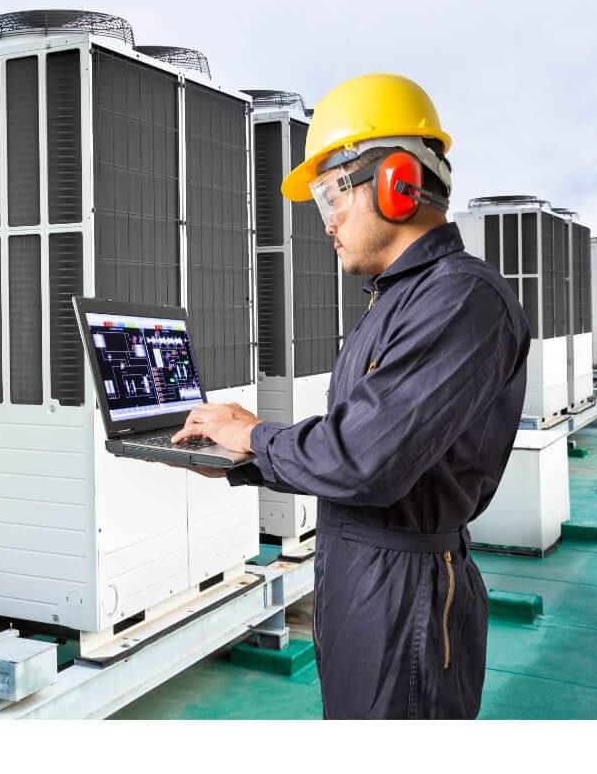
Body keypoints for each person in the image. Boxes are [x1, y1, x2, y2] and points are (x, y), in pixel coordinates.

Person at [171, 74, 529, 720]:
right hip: (363, 587)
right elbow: (361, 440)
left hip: (409, 607)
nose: (327, 222)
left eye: (333, 195)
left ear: (397, 183)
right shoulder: (395, 302)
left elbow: (365, 456)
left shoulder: (462, 301)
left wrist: (255, 436)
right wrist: (242, 456)